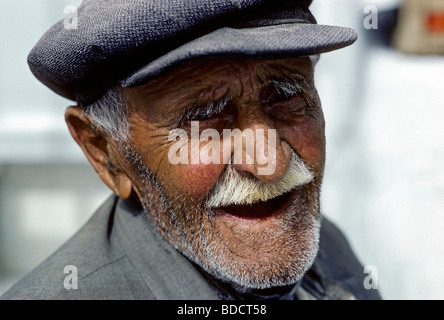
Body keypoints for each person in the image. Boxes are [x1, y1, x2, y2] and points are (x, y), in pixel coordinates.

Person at [1, 0, 381, 300]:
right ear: (105, 152)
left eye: (285, 96)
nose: (270, 164)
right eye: (206, 117)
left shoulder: (317, 240)